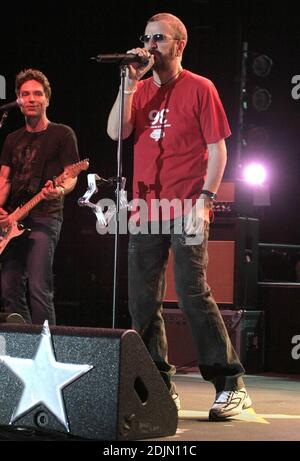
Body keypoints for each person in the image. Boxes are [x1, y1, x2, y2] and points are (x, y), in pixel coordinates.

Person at [107, 13, 252, 420]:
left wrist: (205, 201)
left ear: (179, 45)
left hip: (186, 205)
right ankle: (158, 384)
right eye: (147, 37)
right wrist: (129, 84)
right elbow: (116, 132)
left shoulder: (200, 88)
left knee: (191, 292)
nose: (151, 44)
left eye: (160, 38)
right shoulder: (139, 89)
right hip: (145, 208)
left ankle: (230, 383)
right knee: (142, 301)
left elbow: (219, 150)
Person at [0, 68, 80, 325]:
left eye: (37, 94)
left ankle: (47, 354)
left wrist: (60, 189)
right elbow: (4, 180)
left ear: (47, 99)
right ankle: (24, 351)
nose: (31, 99)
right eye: (25, 94)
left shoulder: (62, 134)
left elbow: (71, 175)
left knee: (38, 288)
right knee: (10, 289)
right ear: (18, 100)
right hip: (13, 220)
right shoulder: (12, 139)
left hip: (45, 217)